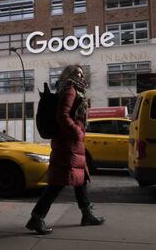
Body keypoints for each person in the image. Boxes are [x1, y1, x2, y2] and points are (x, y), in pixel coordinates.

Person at [26, 65, 105, 235]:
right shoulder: (70, 89)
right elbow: (62, 115)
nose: (81, 75)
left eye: (82, 73)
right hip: (68, 142)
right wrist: (77, 131)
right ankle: (36, 218)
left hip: (72, 142)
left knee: (80, 178)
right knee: (58, 182)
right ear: (69, 74)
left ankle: (87, 214)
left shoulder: (74, 89)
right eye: (77, 73)